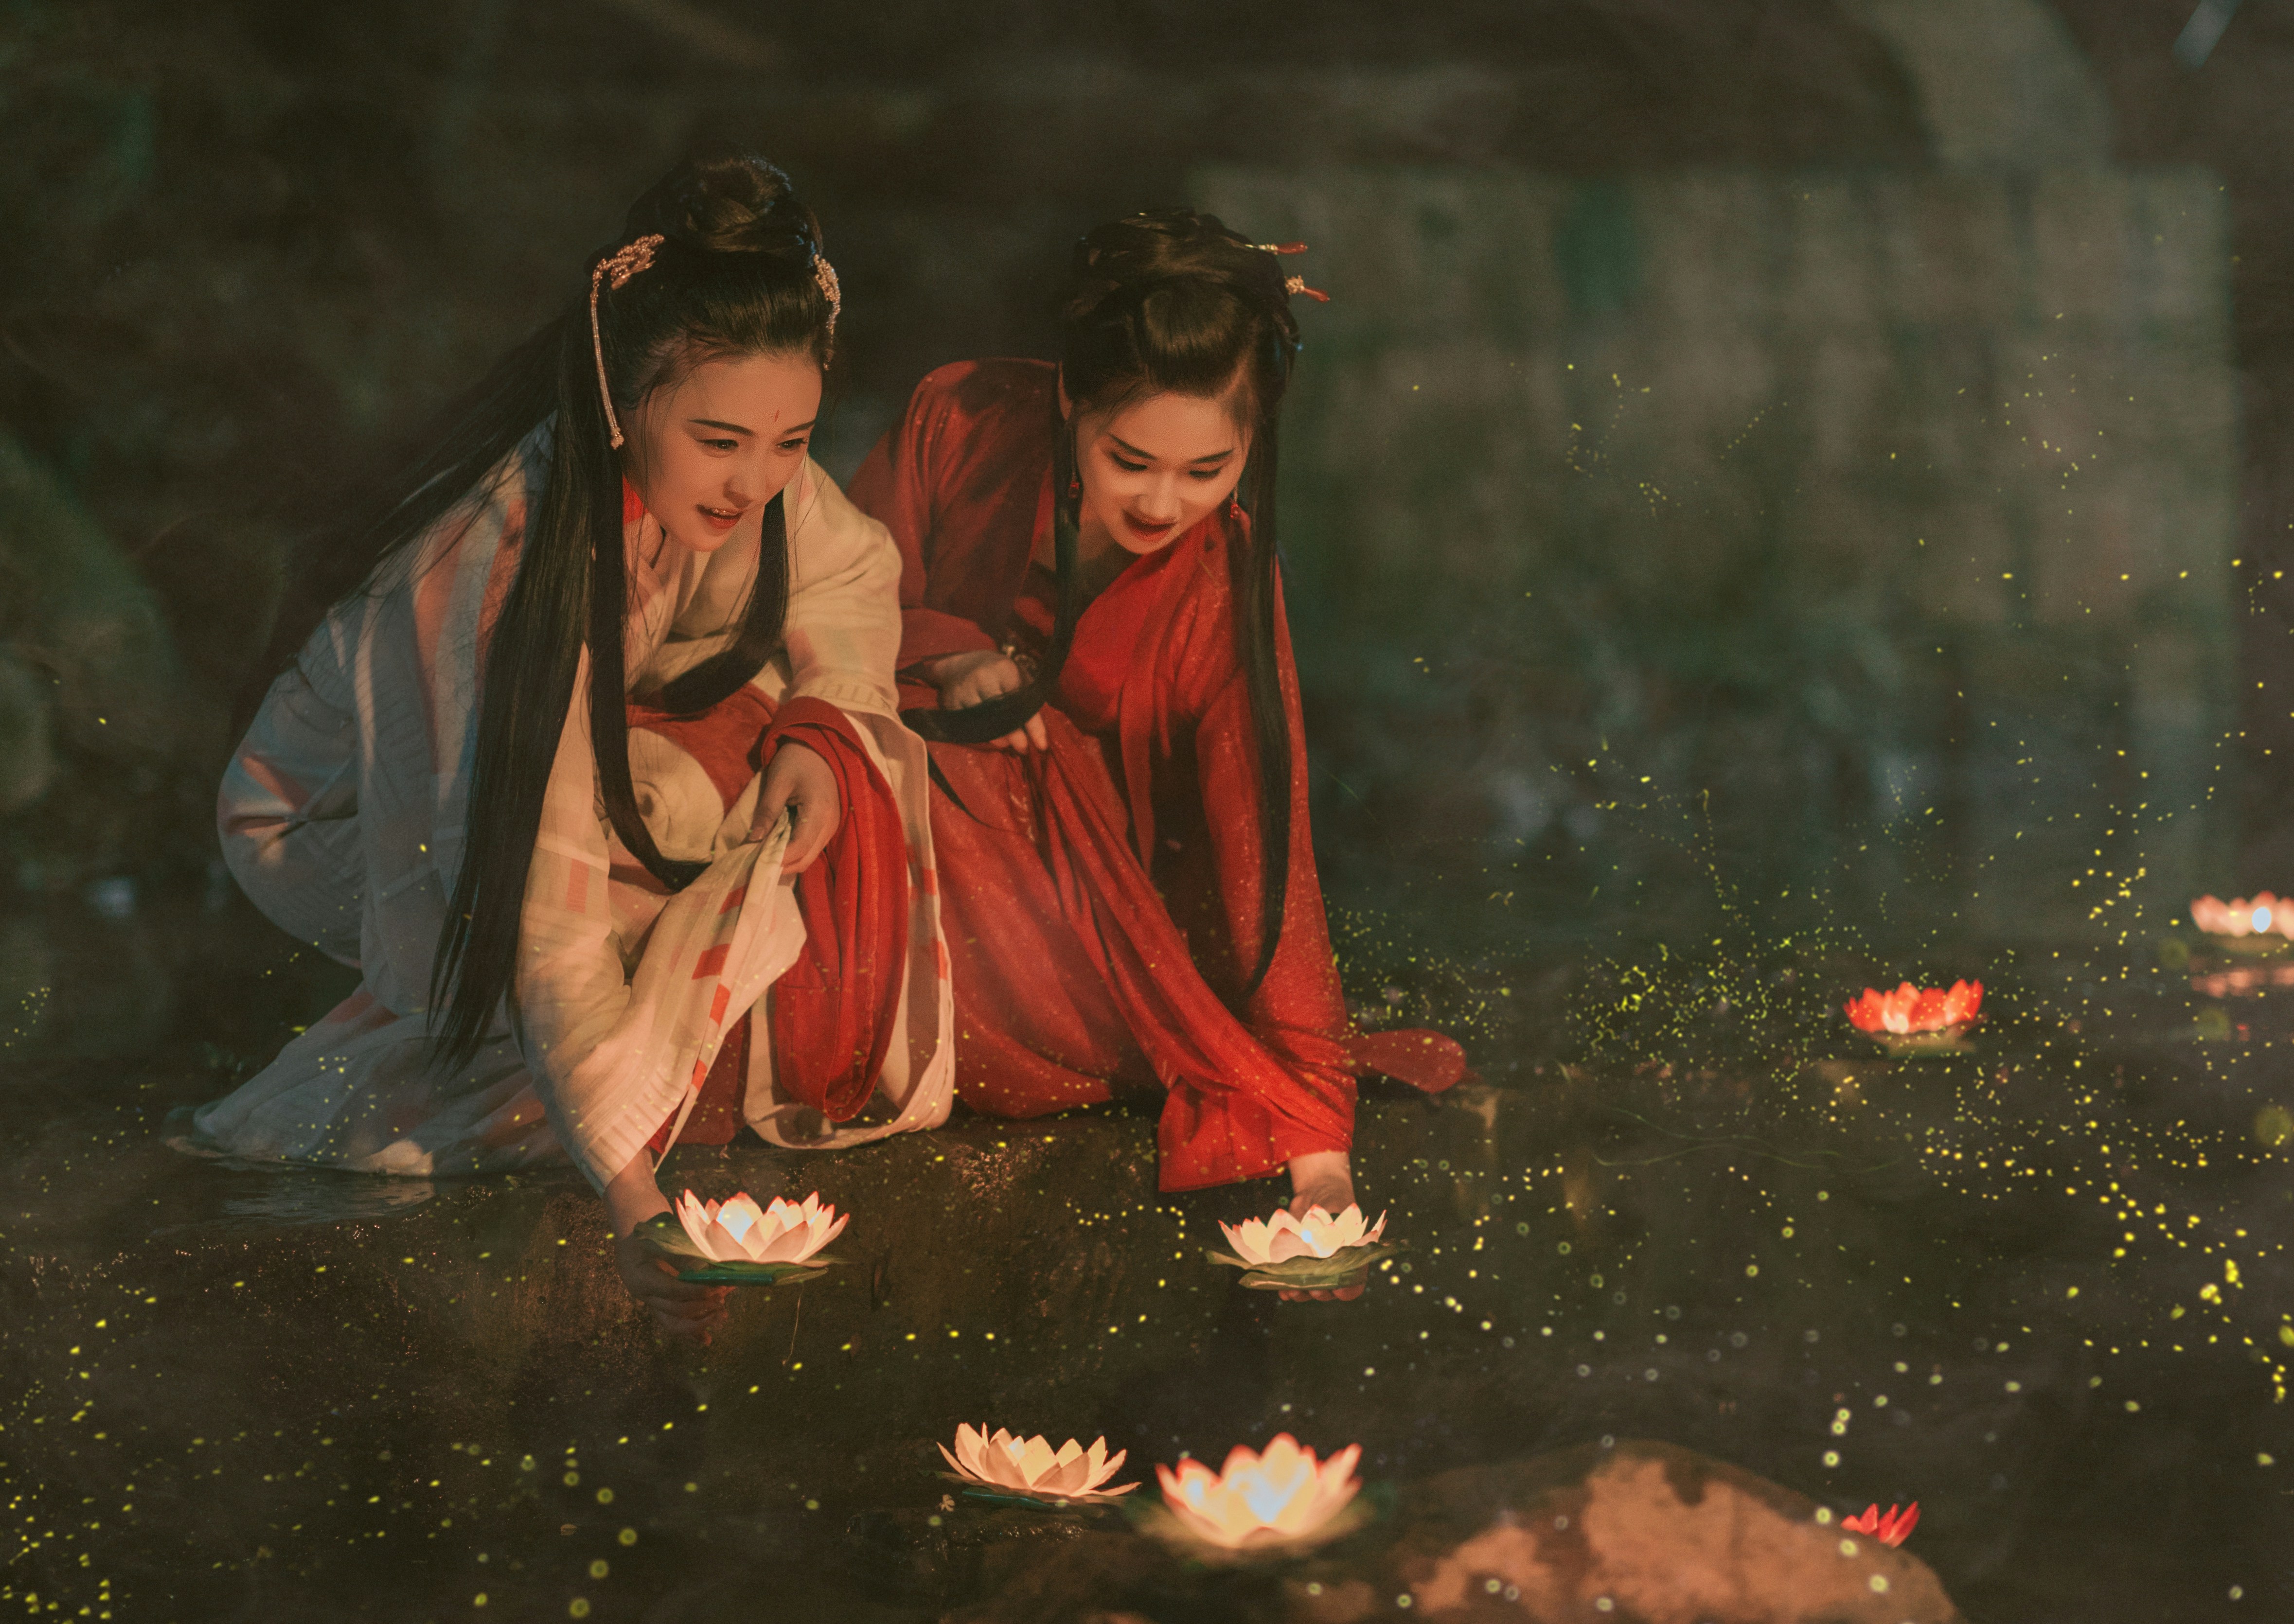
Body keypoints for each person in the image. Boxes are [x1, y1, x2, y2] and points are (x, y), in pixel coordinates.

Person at [178, 153, 952, 1342]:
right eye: (721, 440)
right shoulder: (496, 558)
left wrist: (827, 717)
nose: (756, 482)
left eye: (790, 440)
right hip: (336, 825)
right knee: (617, 961)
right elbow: (535, 889)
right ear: (615, 388)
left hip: (571, 771)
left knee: (791, 841)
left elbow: (851, 569)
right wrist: (628, 1184)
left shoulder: (743, 468)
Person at [849, 210, 1461, 1302]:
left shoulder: (1219, 582)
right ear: (1069, 399)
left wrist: (1317, 1142)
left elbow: (1261, 837)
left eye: (1206, 469)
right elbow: (831, 602)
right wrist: (943, 655)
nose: (1162, 502)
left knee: (1000, 749)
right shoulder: (960, 415)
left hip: (1066, 907)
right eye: (1131, 461)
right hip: (891, 802)